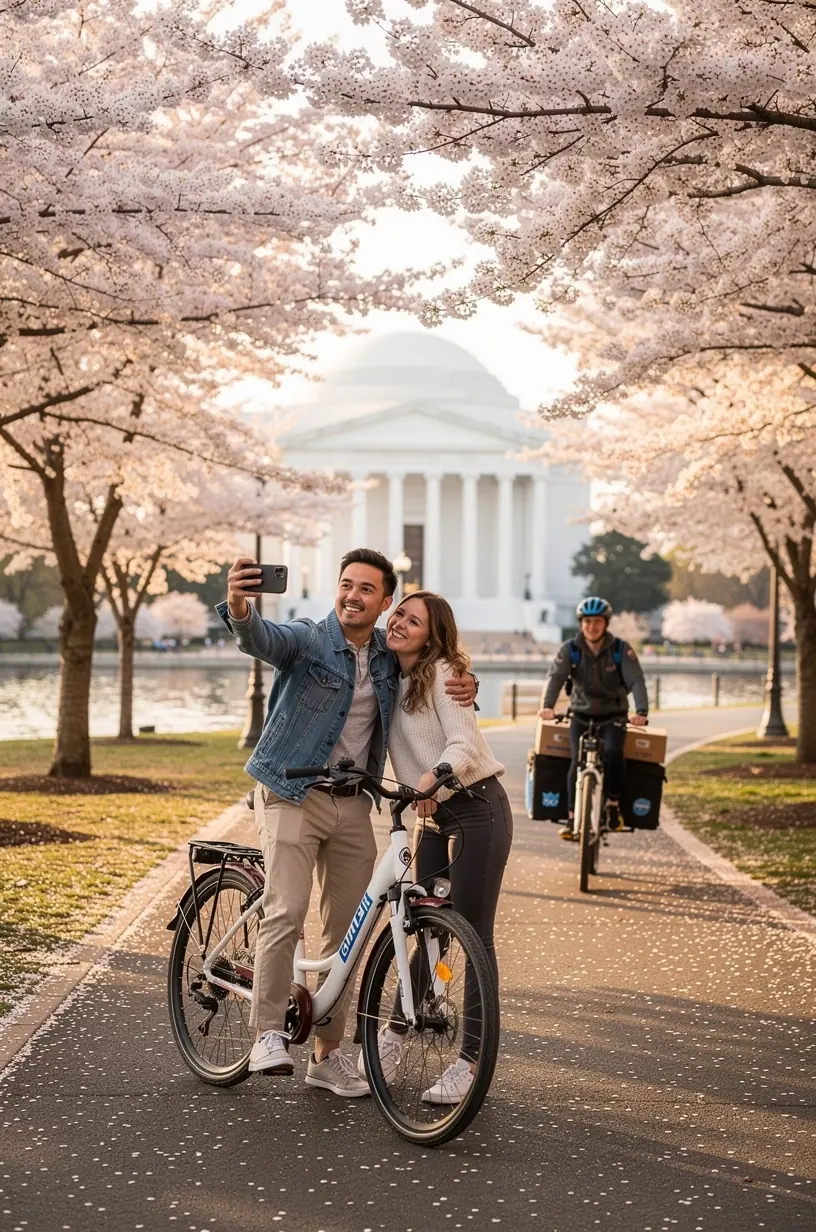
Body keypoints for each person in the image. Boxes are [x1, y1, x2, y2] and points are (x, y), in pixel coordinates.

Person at [217, 548, 477, 1098]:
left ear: (385, 603)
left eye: (366, 590)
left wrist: (466, 684)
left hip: (353, 801)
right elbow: (264, 640)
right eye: (346, 585)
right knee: (286, 910)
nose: (352, 596)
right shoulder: (311, 638)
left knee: (349, 932)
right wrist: (241, 608)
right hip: (291, 791)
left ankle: (327, 1055)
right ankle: (266, 1032)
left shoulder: (388, 653)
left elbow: (430, 668)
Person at [370, 590, 512, 1107]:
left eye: (413, 620)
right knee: (425, 930)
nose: (400, 623)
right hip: (429, 814)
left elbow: (465, 743)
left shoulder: (446, 672)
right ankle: (394, 1035)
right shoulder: (384, 670)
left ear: (432, 635)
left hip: (476, 807)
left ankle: (470, 1062)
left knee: (472, 934)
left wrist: (431, 779)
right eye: (398, 613)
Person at [538, 596, 648, 840]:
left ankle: (612, 805)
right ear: (581, 623)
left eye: (597, 621)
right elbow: (555, 678)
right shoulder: (571, 650)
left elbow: (636, 681)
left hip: (614, 716)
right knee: (576, 761)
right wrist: (547, 706)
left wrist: (641, 712)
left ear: (605, 623)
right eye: (587, 621)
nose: (592, 626)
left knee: (613, 754)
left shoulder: (620, 650)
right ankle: (571, 818)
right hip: (581, 715)